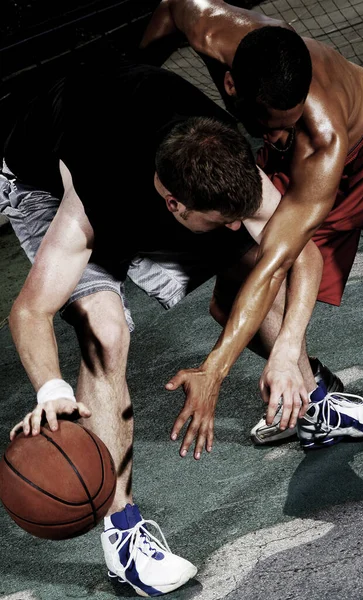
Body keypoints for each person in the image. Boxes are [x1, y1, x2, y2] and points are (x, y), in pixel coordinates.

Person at [0, 58, 337, 595]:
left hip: (137, 143)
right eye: (221, 219)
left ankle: (309, 402)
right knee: (105, 332)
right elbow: (29, 309)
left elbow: (301, 252)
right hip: (46, 185)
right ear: (174, 203)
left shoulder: (214, 150)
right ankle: (124, 538)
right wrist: (52, 389)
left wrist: (287, 349)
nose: (232, 225)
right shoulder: (95, 194)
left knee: (261, 256)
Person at [140, 0, 363, 449]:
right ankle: (314, 399)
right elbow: (171, 8)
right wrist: (131, 74)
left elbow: (285, 261)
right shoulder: (210, 30)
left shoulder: (320, 137)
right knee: (230, 305)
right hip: (297, 167)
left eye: (287, 125)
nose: (274, 136)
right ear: (230, 83)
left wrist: (222, 366)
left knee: (275, 266)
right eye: (267, 125)